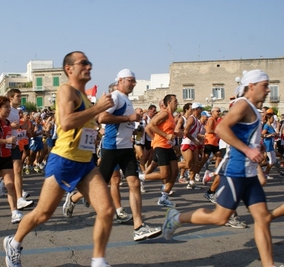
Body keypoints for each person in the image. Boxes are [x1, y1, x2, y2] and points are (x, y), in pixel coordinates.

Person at [3, 51, 115, 267]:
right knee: (43, 213)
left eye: (90, 63)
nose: (89, 66)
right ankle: (14, 243)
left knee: (107, 210)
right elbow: (65, 122)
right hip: (64, 160)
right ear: (69, 69)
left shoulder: (84, 97)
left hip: (85, 164)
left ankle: (98, 261)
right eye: (83, 63)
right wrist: (98, 108)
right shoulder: (66, 90)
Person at [162, 69, 276, 267]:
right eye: (264, 86)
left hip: (249, 173)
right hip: (235, 171)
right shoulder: (243, 104)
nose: (267, 90)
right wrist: (248, 151)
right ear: (251, 86)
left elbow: (245, 136)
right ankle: (176, 217)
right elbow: (221, 129)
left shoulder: (253, 109)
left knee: (263, 218)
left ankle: (268, 265)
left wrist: (257, 146)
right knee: (219, 218)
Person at [96, 68, 162, 241]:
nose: (133, 83)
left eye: (134, 81)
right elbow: (102, 118)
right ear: (120, 81)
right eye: (130, 80)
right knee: (99, 184)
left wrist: (134, 122)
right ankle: (73, 197)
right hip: (112, 147)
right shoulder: (116, 96)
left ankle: (138, 226)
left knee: (134, 183)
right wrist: (129, 118)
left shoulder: (126, 99)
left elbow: (126, 121)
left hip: (126, 147)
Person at [140, 94, 179, 208]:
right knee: (164, 174)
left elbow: (166, 130)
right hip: (160, 146)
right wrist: (164, 136)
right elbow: (150, 126)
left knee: (175, 171)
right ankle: (139, 176)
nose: (177, 102)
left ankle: (164, 198)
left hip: (167, 146)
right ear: (169, 103)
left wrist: (176, 134)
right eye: (175, 100)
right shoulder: (164, 113)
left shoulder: (171, 115)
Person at [6, 89, 33, 210]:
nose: (20, 98)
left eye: (20, 96)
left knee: (17, 170)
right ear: (11, 98)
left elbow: (16, 126)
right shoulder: (6, 110)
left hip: (14, 144)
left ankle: (20, 199)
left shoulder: (17, 111)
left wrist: (22, 126)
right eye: (18, 96)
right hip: (4, 145)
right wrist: (9, 126)